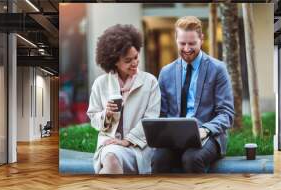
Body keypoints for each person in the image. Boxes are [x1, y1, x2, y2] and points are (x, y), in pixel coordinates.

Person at [152, 16, 234, 173]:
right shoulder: (166, 72)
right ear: (175, 39)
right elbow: (161, 112)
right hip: (173, 138)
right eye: (182, 43)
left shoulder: (218, 69)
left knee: (191, 158)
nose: (187, 48)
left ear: (201, 39)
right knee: (158, 159)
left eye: (192, 43)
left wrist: (205, 130)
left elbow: (226, 114)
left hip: (208, 136)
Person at [87, 24, 161, 174]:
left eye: (136, 57)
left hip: (138, 148)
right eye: (128, 60)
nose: (134, 63)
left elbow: (151, 119)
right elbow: (94, 119)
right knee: (111, 156)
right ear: (114, 61)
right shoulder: (100, 84)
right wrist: (106, 115)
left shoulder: (150, 82)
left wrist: (128, 140)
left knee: (109, 164)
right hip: (109, 144)